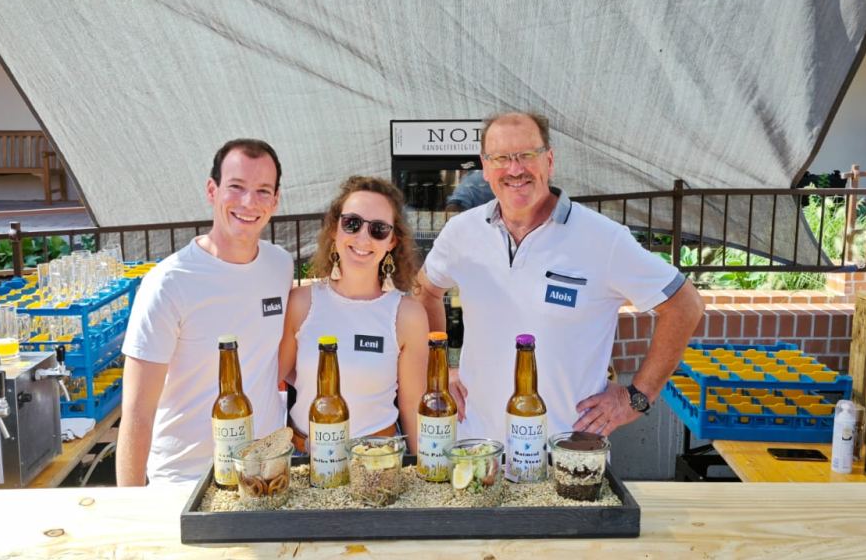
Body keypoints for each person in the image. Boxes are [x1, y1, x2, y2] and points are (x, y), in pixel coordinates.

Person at [416, 112, 705, 442]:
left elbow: (686, 305)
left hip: (568, 452)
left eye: (527, 155)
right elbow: (425, 291)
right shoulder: (461, 232)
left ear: (549, 160)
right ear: (485, 166)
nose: (515, 169)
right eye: (501, 158)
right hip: (478, 446)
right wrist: (441, 369)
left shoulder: (604, 239)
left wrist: (636, 397)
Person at [117, 139, 293, 486]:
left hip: (266, 475)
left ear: (275, 200)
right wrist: (131, 508)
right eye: (236, 187)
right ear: (212, 190)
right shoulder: (169, 283)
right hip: (186, 480)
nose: (248, 202)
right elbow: (137, 413)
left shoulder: (280, 265)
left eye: (262, 191)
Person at [278, 176, 428, 454]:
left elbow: (412, 405)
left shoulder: (407, 316)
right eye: (352, 223)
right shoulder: (300, 304)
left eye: (379, 229)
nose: (363, 237)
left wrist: (426, 474)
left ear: (392, 241)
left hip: (378, 464)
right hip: (304, 459)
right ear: (335, 229)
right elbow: (273, 376)